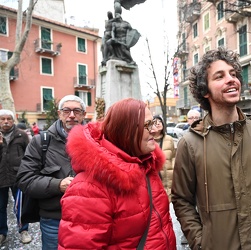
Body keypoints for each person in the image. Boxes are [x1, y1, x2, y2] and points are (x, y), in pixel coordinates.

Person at [172, 47, 251, 249]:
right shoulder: (190, 143)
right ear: (205, 91)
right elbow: (182, 200)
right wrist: (201, 241)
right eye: (220, 76)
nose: (232, 79)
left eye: (233, 74)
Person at [58, 98, 176, 249]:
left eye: (153, 123)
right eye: (147, 125)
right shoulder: (88, 188)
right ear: (126, 131)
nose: (155, 130)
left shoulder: (146, 166)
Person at [17, 95, 86, 250]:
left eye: (77, 111)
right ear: (59, 113)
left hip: (89, 217)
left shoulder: (96, 140)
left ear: (83, 115)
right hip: (54, 220)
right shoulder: (40, 141)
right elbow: (25, 179)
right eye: (67, 110)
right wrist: (58, 185)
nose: (72, 115)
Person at [0, 110, 32, 245]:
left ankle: (23, 230)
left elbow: (30, 155)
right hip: (0, 177)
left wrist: (26, 172)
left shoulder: (21, 135)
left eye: (9, 119)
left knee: (20, 205)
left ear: (13, 121)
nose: (6, 121)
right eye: (2, 119)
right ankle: (2, 232)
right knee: (0, 207)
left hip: (17, 176)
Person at [153, 115, 176, 200]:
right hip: (156, 180)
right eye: (155, 122)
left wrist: (174, 169)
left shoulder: (169, 139)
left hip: (170, 178)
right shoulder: (149, 140)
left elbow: (174, 156)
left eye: (160, 121)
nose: (158, 123)